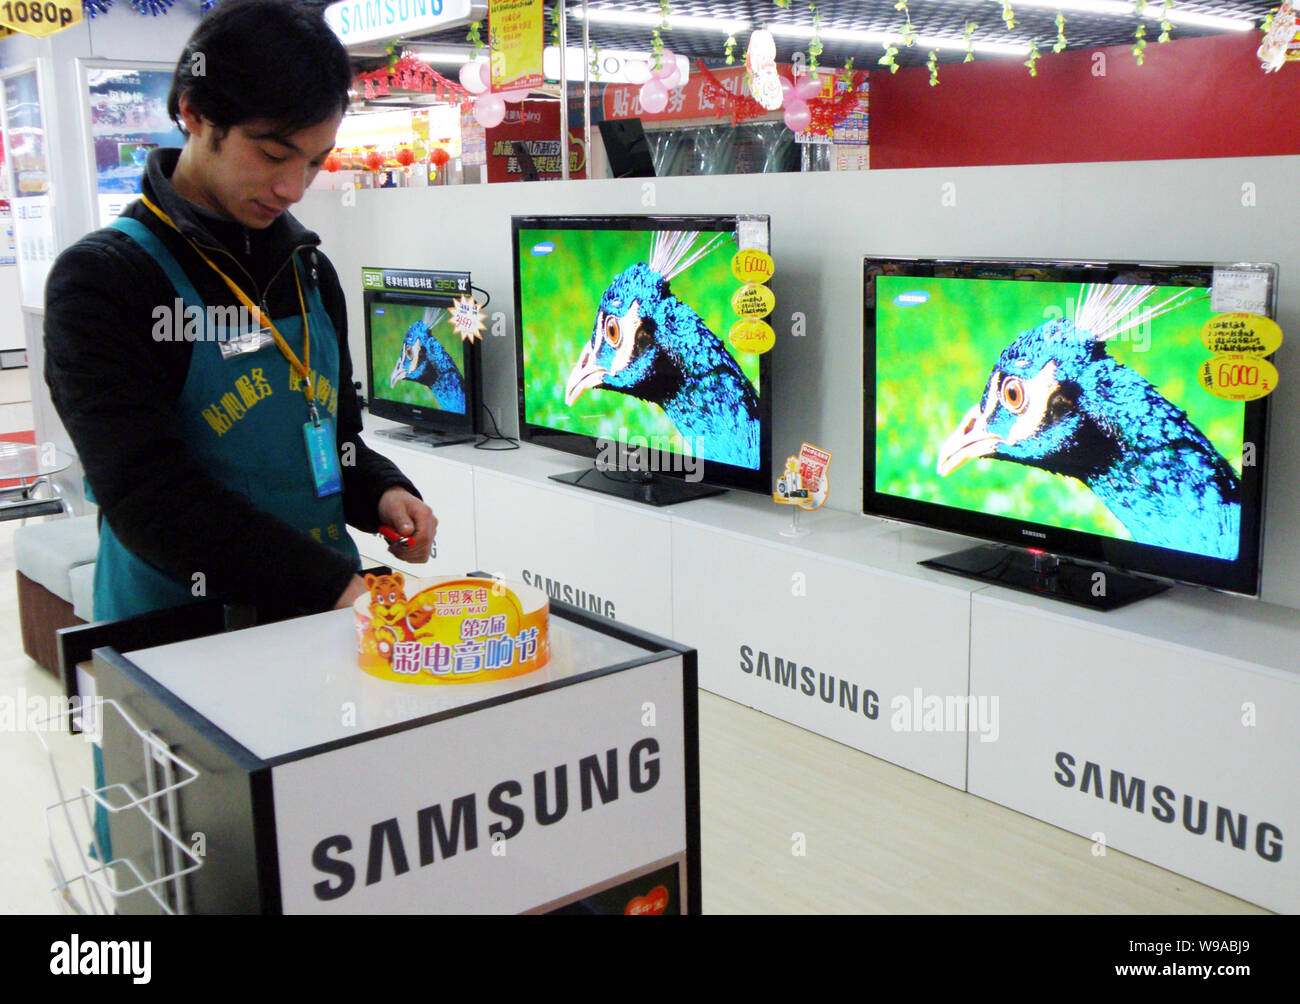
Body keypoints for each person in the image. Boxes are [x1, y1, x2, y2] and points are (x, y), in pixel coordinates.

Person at [44, 0, 434, 624]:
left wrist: (382, 490)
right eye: (274, 154)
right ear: (194, 115)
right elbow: (150, 497)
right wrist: (332, 584)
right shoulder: (105, 281)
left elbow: (334, 437)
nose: (294, 188)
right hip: (179, 635)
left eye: (314, 161)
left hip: (318, 619)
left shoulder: (309, 271)